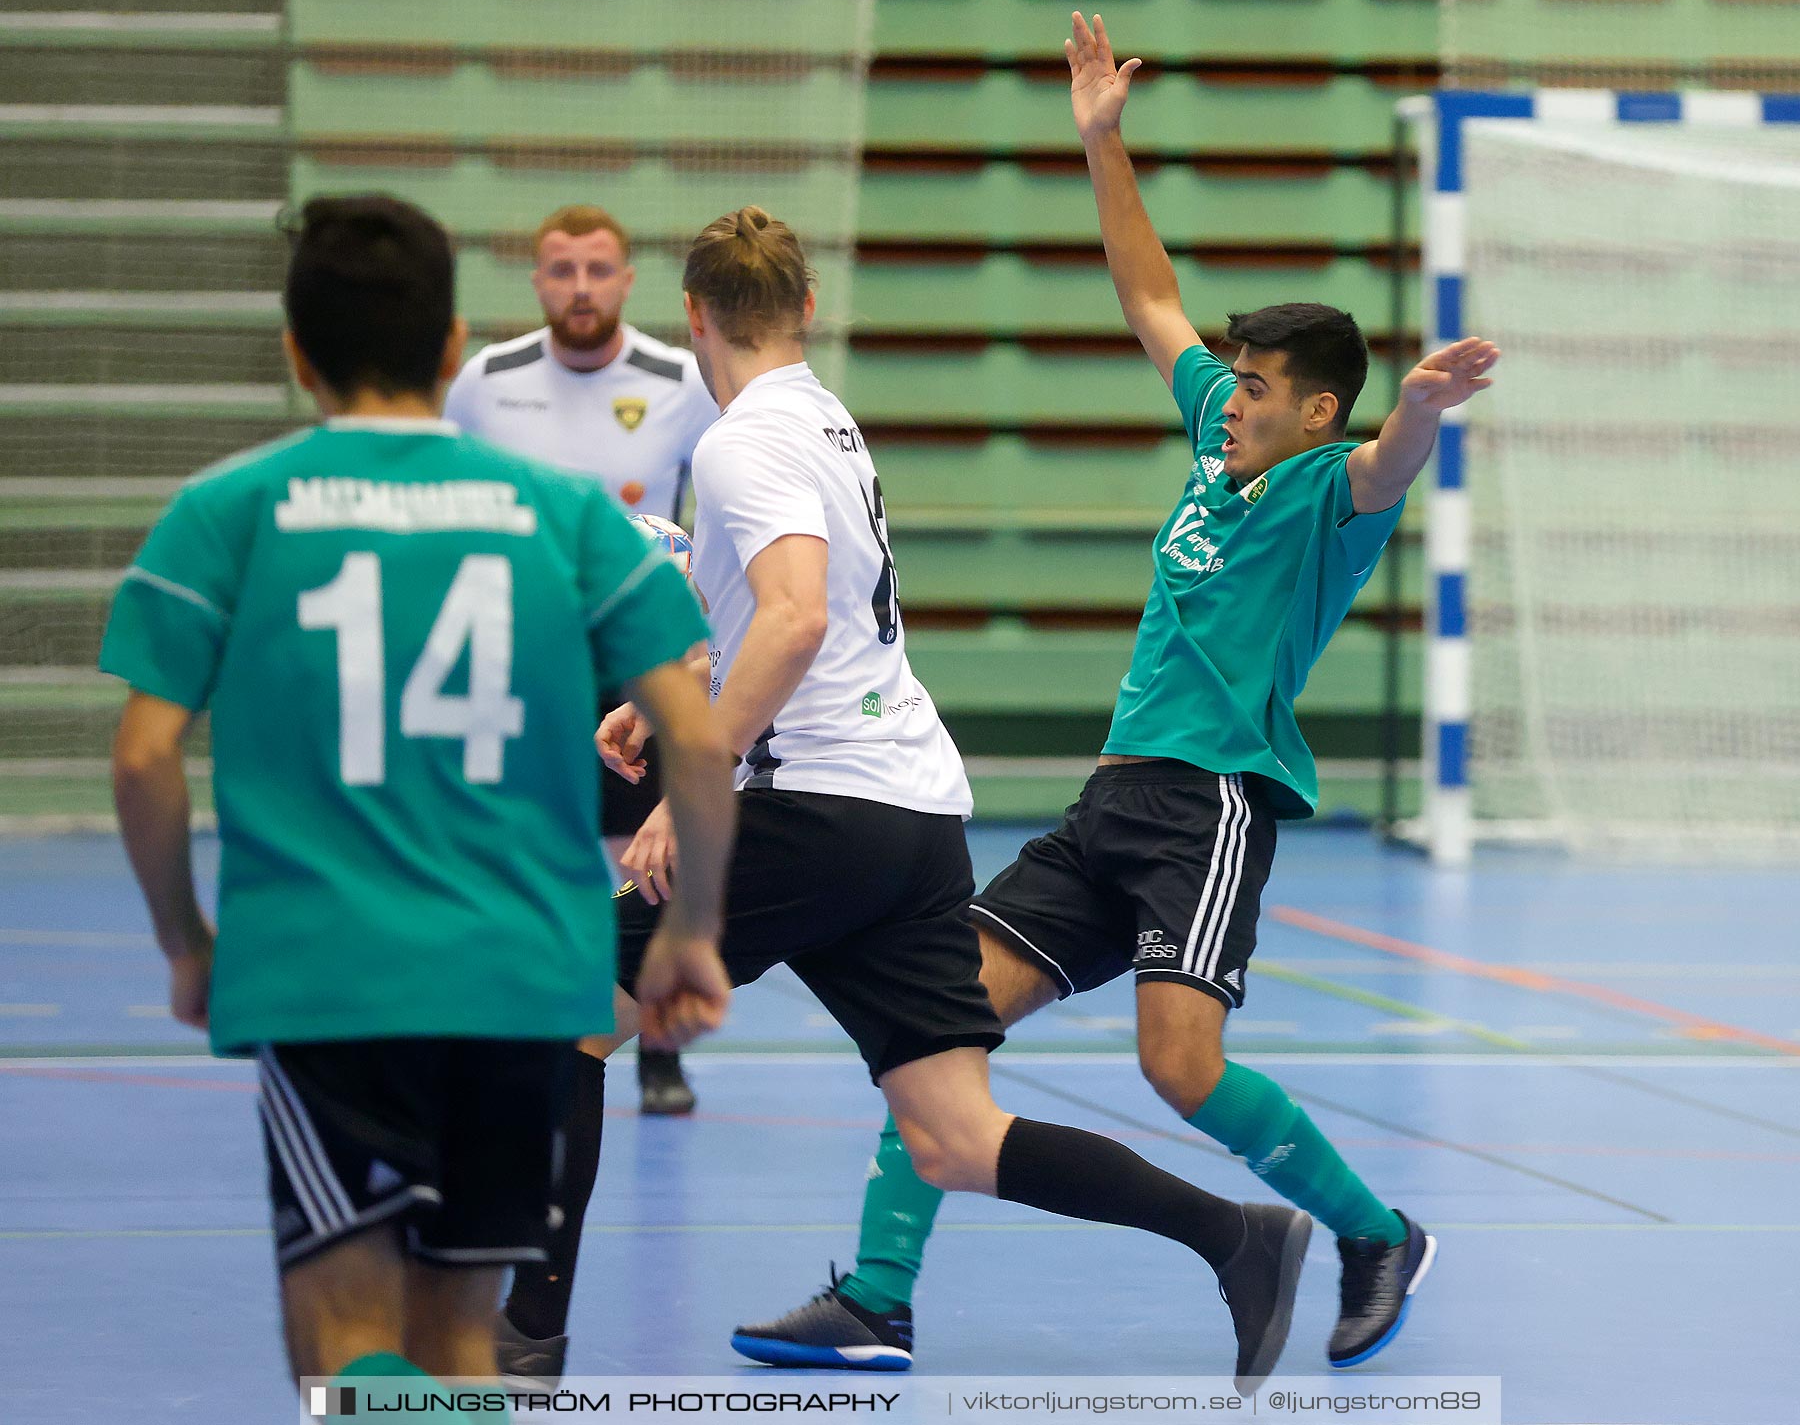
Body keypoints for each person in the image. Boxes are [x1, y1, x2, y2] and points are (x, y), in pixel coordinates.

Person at [737, 12, 1499, 1374]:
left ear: (1314, 411)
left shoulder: (1332, 490)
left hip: (1211, 801)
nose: (1230, 397)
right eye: (1235, 380)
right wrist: (1103, 143)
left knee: (1179, 1067)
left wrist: (1428, 407)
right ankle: (877, 1297)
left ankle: (1376, 1232)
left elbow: (1392, 462)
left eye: (1257, 386)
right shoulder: (1218, 443)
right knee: (937, 1017)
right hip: (1115, 795)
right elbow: (1150, 297)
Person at [578, 205, 1314, 1396]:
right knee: (954, 1135)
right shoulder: (826, 417)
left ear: (695, 317)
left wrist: (693, 777)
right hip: (912, 808)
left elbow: (798, 616)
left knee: (564, 1016)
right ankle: (1235, 1236)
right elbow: (813, 621)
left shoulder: (737, 441)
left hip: (814, 805)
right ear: (806, 308)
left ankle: (521, 1339)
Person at [99, 194, 736, 1414]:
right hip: (520, 972)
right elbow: (698, 739)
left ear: (296, 353)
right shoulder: (562, 518)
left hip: (323, 972)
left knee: (342, 1338)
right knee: (457, 1338)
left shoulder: (225, 513)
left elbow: (142, 757)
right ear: (453, 350)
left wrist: (186, 940)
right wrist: (693, 932)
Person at [446, 203, 718, 1123]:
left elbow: (716, 512)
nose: (580, 287)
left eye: (598, 270)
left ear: (627, 280)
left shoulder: (681, 380)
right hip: (524, 653)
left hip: (643, 652)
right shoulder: (487, 382)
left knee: (650, 855)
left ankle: (657, 1055)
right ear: (537, 281)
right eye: (561, 270)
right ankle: (511, 1027)